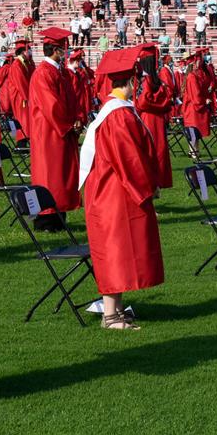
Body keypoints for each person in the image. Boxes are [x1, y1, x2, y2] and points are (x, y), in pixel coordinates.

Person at [78, 47, 165, 330]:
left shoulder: (116, 111)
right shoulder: (118, 116)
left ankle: (114, 311)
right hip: (114, 194)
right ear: (130, 83)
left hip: (113, 191)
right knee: (115, 251)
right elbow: (129, 159)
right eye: (136, 81)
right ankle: (111, 316)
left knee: (119, 251)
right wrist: (147, 187)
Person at [27, 27, 82, 228]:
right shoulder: (43, 73)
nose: (66, 53)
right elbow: (52, 105)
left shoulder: (58, 72)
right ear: (56, 50)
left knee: (61, 174)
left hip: (59, 130)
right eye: (63, 49)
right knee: (50, 174)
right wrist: (69, 124)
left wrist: (77, 118)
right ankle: (47, 219)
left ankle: (59, 215)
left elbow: (70, 99)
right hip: (49, 132)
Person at [133, 43, 173, 190]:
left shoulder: (146, 79)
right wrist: (163, 101)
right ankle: (153, 185)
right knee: (154, 151)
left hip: (150, 119)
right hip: (151, 120)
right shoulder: (148, 79)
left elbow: (143, 102)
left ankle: (153, 185)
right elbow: (145, 101)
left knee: (155, 152)